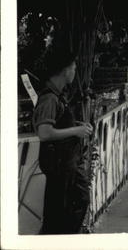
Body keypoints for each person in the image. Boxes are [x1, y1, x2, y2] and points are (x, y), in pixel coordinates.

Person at [33, 48, 93, 234]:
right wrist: (76, 130)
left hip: (67, 166)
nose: (75, 71)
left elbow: (57, 126)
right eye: (73, 67)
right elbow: (44, 132)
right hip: (60, 168)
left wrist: (76, 126)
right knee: (59, 217)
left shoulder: (57, 96)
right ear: (65, 69)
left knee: (70, 209)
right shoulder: (49, 98)